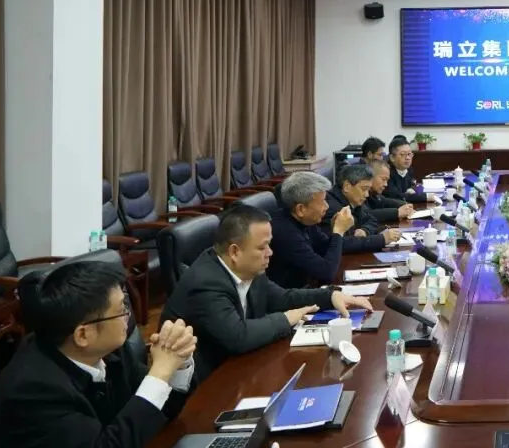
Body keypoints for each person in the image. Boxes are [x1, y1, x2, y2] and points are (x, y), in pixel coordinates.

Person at [0, 261, 197, 448]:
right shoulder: (34, 391)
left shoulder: (108, 350)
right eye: (121, 310)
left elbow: (161, 411)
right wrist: (159, 373)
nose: (128, 318)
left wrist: (178, 362)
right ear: (83, 334)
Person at [162, 204, 372, 382]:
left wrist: (329, 296)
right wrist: (287, 318)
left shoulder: (246, 267)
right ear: (234, 251)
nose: (270, 253)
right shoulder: (205, 283)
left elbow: (281, 298)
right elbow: (238, 336)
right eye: (262, 247)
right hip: (205, 385)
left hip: (241, 366)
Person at [268, 171, 353, 288]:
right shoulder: (284, 233)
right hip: (289, 295)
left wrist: (336, 232)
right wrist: (338, 231)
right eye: (322, 201)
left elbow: (326, 247)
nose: (327, 206)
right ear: (301, 209)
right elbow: (326, 273)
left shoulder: (305, 220)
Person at [322, 163, 403, 253]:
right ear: (347, 187)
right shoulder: (330, 208)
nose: (367, 194)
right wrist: (382, 239)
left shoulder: (354, 201)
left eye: (368, 189)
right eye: (364, 189)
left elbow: (371, 220)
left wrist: (365, 230)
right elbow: (342, 244)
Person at [383, 137, 437, 204]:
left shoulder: (408, 168)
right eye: (403, 154)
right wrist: (426, 196)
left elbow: (414, 185)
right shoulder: (386, 172)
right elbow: (396, 196)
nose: (408, 158)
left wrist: (412, 189)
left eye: (409, 154)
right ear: (392, 157)